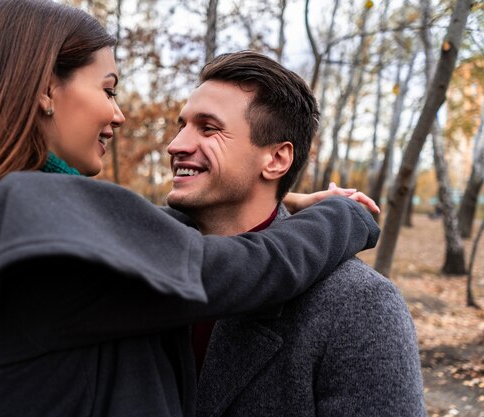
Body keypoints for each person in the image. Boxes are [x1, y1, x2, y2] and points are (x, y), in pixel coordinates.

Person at [0, 1, 380, 416]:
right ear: (45, 89)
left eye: (208, 129)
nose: (117, 113)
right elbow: (243, 269)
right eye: (108, 88)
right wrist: (347, 216)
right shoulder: (35, 222)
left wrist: (277, 195)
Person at [163, 51, 426, 416]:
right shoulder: (145, 267)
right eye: (182, 126)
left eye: (208, 128)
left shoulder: (358, 305)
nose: (176, 144)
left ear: (276, 160)